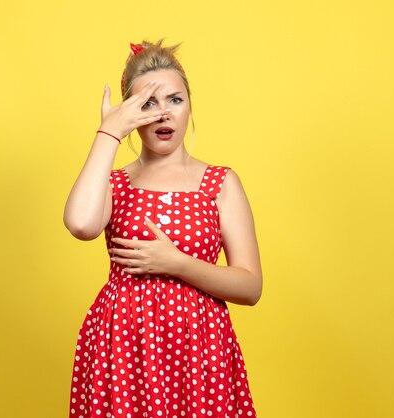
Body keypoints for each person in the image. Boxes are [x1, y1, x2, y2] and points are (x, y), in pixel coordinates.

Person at [64, 38, 263, 418]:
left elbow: (251, 286)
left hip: (200, 349)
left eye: (175, 100)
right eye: (147, 105)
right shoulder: (115, 183)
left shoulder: (220, 183)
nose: (163, 115)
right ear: (131, 114)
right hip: (123, 348)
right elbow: (81, 223)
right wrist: (109, 133)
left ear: (190, 106)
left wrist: (177, 262)